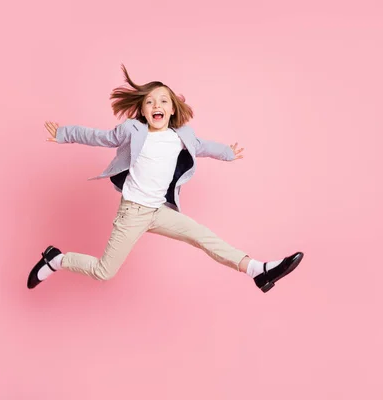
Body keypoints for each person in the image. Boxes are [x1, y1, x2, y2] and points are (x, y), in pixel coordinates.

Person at [27, 64, 303, 293]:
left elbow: (205, 146)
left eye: (163, 101)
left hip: (159, 211)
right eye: (149, 101)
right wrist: (64, 134)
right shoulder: (133, 131)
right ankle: (57, 259)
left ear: (172, 110)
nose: (156, 105)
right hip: (132, 213)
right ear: (143, 111)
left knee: (203, 236)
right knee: (104, 272)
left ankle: (257, 270)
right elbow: (100, 138)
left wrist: (228, 153)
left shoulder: (181, 137)